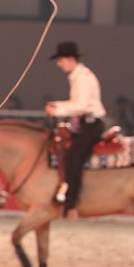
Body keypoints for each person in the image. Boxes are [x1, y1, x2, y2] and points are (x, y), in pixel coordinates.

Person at [44, 41, 106, 217]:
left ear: (71, 59)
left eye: (61, 60)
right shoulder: (80, 77)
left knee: (74, 157)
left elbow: (81, 106)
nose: (59, 64)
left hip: (92, 124)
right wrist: (57, 105)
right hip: (86, 122)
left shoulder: (83, 78)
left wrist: (57, 110)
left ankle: (71, 202)